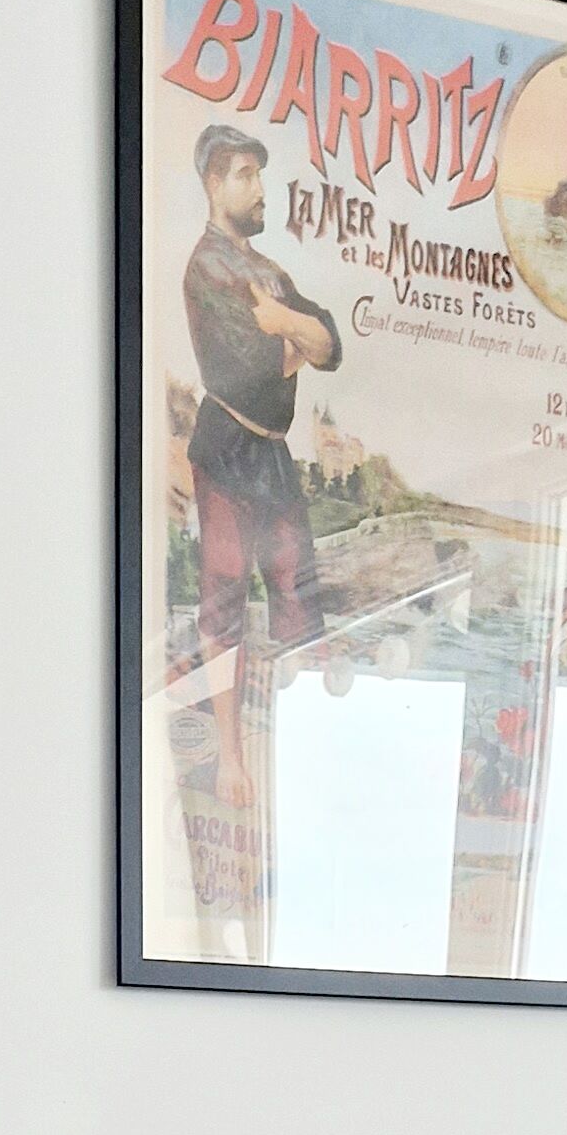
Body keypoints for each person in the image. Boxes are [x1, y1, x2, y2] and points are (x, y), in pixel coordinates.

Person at [182, 124, 342, 809]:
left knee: (297, 593)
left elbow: (331, 341)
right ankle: (230, 763)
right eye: (244, 175)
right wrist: (290, 336)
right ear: (215, 184)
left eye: (259, 175)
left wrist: (288, 325)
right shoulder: (205, 269)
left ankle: (307, 761)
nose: (257, 188)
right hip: (226, 450)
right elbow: (243, 374)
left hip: (272, 457)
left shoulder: (271, 276)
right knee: (223, 606)